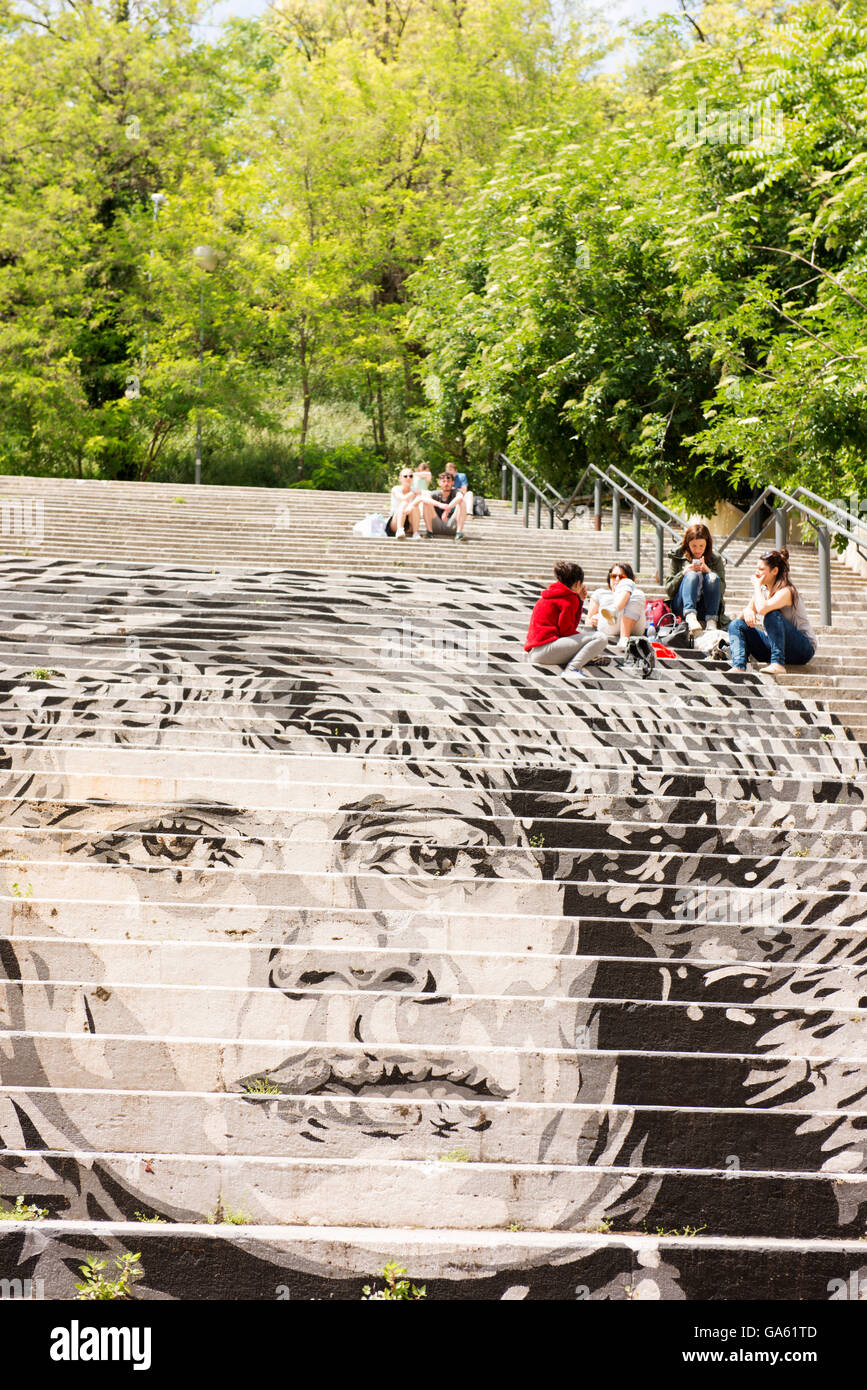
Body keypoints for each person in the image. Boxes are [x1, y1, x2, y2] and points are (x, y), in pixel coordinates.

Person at [728, 547, 818, 675]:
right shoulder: (763, 591)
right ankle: (739, 666)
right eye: (757, 568)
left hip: (802, 649)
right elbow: (742, 617)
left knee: (772, 615)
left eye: (761, 569)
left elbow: (763, 609)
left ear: (774, 571)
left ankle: (777, 664)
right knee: (736, 625)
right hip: (774, 646)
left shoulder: (787, 591)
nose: (756, 573)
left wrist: (755, 586)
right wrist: (748, 610)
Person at [524, 560, 608, 680]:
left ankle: (584, 658)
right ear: (578, 583)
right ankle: (572, 669)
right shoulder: (569, 598)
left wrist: (579, 601)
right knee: (600, 638)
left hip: (535, 652)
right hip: (546, 651)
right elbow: (567, 631)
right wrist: (578, 601)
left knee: (588, 642)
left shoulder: (548, 596)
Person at [665, 522, 727, 634]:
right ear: (687, 544)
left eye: (701, 546)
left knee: (712, 577)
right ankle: (690, 616)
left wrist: (708, 571)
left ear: (707, 544)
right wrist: (684, 573)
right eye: (694, 546)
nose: (697, 550)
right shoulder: (677, 556)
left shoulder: (715, 559)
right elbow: (669, 590)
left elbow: (721, 590)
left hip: (706, 606)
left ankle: (711, 620)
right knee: (691, 575)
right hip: (681, 606)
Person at [586, 561, 647, 647]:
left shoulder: (634, 594)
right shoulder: (600, 593)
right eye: (614, 576)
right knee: (635, 590)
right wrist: (592, 621)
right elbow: (587, 621)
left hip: (634, 624)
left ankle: (613, 610)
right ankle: (624, 638)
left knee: (638, 593)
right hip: (609, 624)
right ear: (609, 578)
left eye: (622, 577)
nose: (617, 579)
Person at [425, 470, 467, 540]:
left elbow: (460, 497)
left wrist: (447, 510)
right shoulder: (435, 493)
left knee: (462, 502)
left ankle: (459, 533)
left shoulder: (456, 492)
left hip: (452, 526)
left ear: (452, 483)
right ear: (439, 483)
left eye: (448, 481)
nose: (446, 484)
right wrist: (440, 505)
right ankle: (429, 532)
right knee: (426, 503)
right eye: (443, 481)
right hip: (436, 526)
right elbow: (424, 499)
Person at [386, 469, 422, 539]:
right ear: (400, 478)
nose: (408, 478)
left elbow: (418, 500)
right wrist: (414, 492)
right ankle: (400, 529)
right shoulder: (396, 489)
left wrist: (411, 505)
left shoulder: (416, 489)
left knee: (415, 506)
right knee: (404, 503)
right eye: (405, 476)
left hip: (410, 522)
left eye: (411, 476)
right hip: (395, 522)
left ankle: (415, 533)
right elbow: (403, 498)